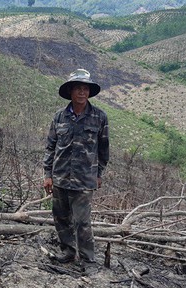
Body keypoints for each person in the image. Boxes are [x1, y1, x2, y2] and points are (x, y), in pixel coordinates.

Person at [43, 69, 109, 275]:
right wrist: (47, 174)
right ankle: (68, 252)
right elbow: (51, 147)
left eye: (85, 88)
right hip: (60, 176)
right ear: (70, 91)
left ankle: (88, 259)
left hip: (84, 179)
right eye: (78, 88)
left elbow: (103, 149)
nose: (82, 92)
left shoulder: (99, 117)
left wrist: (99, 174)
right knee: (61, 218)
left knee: (82, 221)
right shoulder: (59, 117)